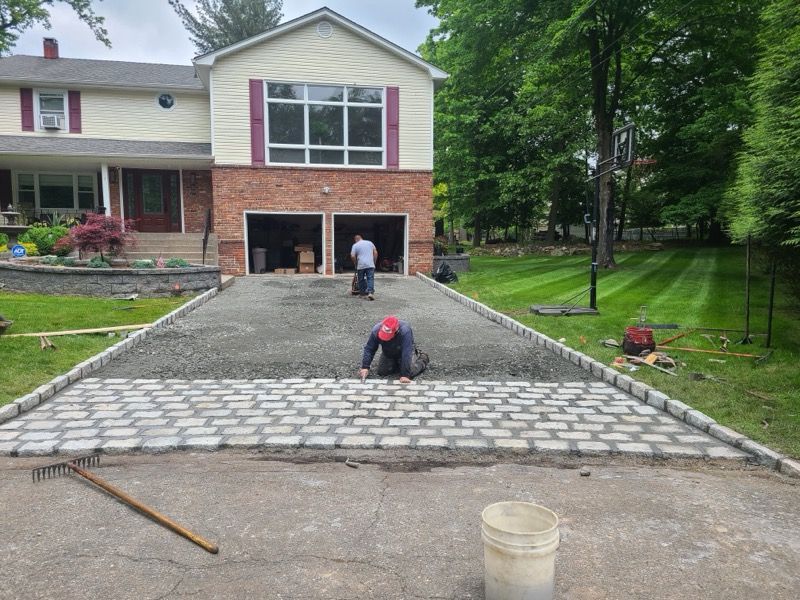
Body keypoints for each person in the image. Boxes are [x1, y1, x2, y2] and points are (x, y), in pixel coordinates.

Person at [359, 316, 429, 383]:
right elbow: (370, 348)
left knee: (410, 372)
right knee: (382, 372)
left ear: (396, 330)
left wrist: (405, 375)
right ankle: (398, 363)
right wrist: (365, 367)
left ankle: (423, 359)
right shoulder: (376, 330)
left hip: (404, 350)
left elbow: (406, 353)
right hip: (388, 351)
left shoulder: (405, 331)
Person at [350, 234, 378, 300]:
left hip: (361, 265)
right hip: (370, 264)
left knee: (361, 279)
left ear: (356, 239)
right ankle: (370, 293)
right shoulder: (370, 243)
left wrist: (355, 263)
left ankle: (362, 294)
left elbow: (352, 256)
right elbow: (376, 253)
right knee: (370, 278)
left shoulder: (355, 245)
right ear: (361, 238)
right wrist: (374, 262)